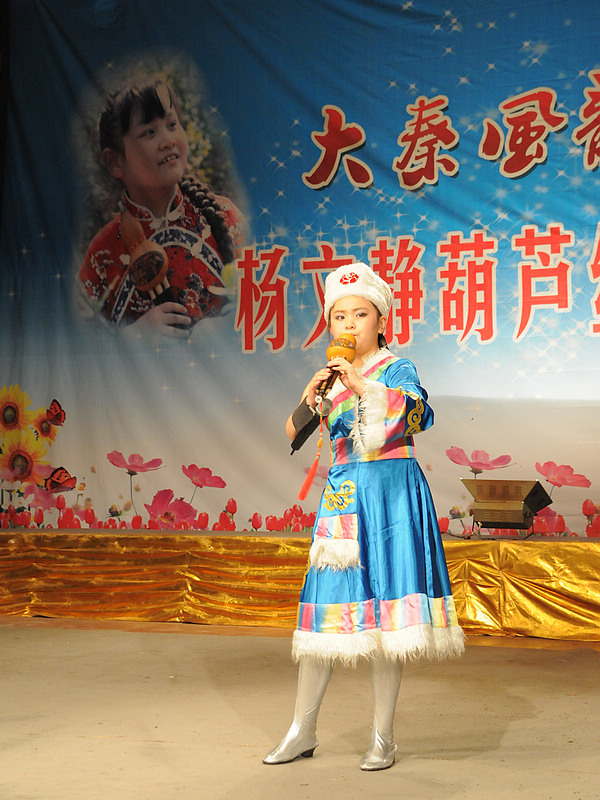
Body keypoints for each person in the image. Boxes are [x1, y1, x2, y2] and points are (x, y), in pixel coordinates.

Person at [263, 261, 464, 771]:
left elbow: (420, 413)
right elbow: (294, 432)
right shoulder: (330, 378)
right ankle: (302, 729)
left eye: (360, 314)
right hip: (342, 500)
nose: (349, 325)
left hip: (391, 494)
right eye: (339, 316)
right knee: (323, 614)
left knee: (388, 620)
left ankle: (383, 738)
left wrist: (362, 386)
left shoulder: (395, 368)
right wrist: (312, 396)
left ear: (381, 320)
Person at [77, 78, 245, 337]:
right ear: (115, 162)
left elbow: (263, 303)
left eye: (172, 125)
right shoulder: (103, 251)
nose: (168, 140)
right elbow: (73, 341)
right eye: (149, 132)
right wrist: (133, 336)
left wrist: (224, 327)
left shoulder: (226, 217)